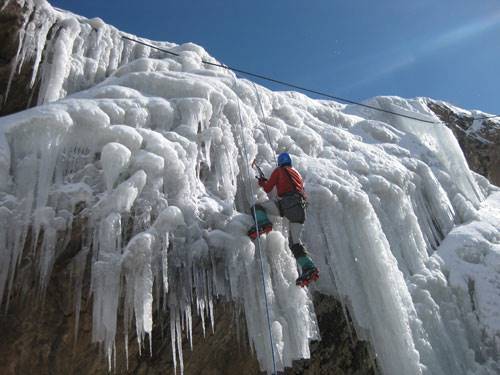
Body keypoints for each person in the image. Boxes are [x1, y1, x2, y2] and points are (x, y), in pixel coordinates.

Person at [253, 152, 319, 286]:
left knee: (257, 207)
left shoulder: (279, 170)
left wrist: (262, 182)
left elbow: (268, 188)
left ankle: (264, 224)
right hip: (301, 210)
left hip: (288, 205)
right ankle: (309, 268)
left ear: (280, 162)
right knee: (295, 244)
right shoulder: (297, 175)